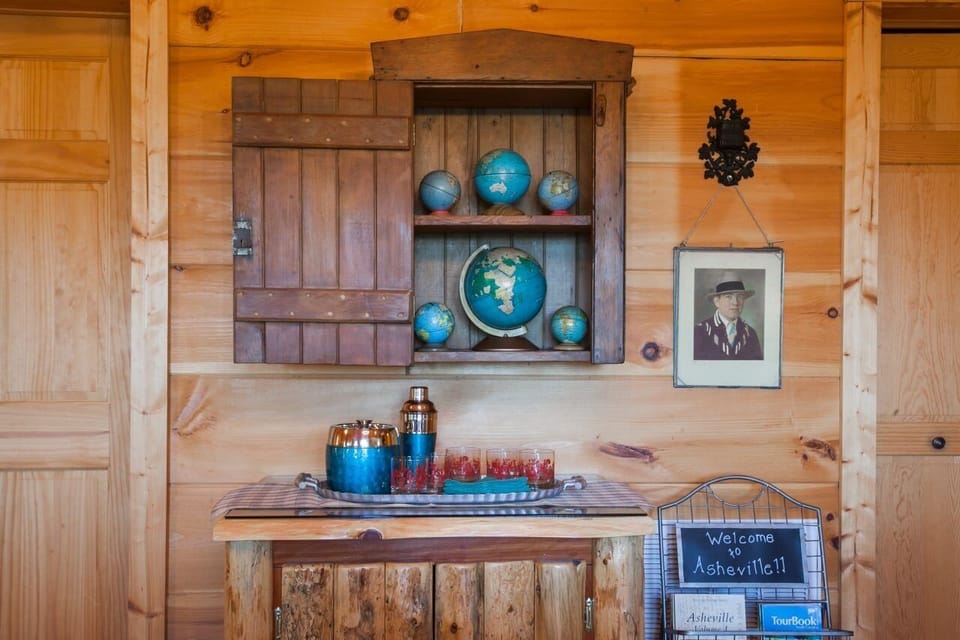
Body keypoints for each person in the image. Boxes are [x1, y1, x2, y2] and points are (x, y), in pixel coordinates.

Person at [693, 271, 763, 360]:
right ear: (717, 301)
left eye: (740, 296)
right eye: (728, 296)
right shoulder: (700, 332)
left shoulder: (750, 334)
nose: (735, 302)